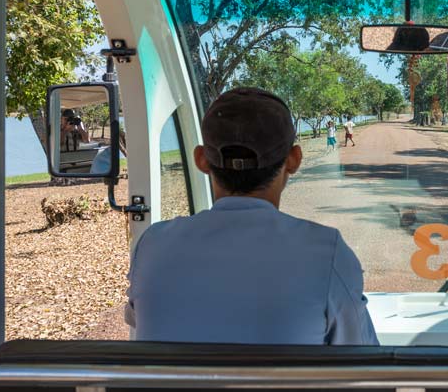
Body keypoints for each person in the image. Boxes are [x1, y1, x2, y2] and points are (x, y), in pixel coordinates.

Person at [124, 88, 378, 345]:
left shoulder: (152, 245)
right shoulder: (328, 253)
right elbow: (360, 354)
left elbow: (139, 322)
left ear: (201, 159)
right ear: (294, 160)